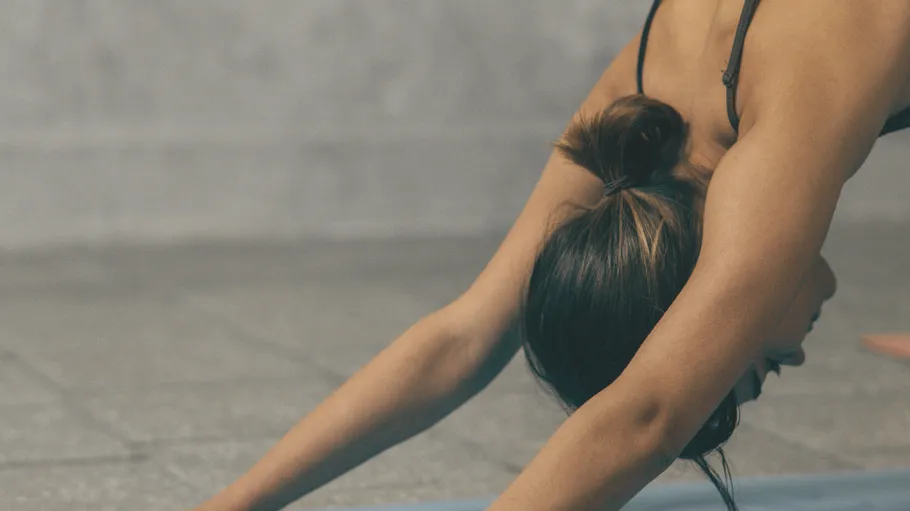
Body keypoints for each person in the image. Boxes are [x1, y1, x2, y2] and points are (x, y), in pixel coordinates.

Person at [192, 1, 910, 510]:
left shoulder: (789, 93)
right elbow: (466, 334)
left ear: (703, 290)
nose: (799, 357)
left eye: (760, 366)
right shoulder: (651, 89)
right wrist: (237, 502)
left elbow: (651, 410)